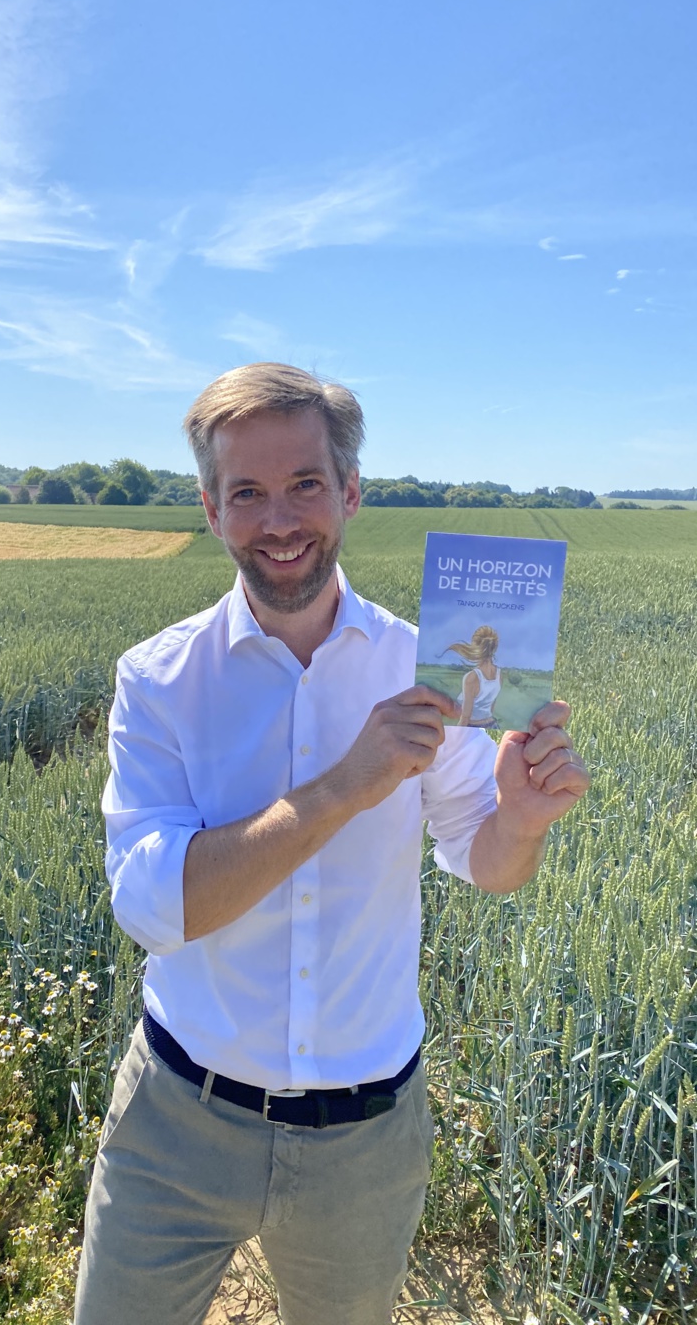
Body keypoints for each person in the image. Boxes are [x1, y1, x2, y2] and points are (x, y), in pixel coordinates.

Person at [74, 363, 590, 1325]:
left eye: (305, 484)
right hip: (177, 1120)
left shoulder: (425, 669)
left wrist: (518, 820)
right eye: (248, 493)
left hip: (365, 1135)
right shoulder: (158, 678)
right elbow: (154, 908)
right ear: (212, 509)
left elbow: (485, 862)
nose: (280, 520)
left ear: (350, 492)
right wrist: (344, 788)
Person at [448, 625, 502, 727]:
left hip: (473, 727)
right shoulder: (499, 674)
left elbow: (465, 718)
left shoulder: (472, 677)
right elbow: (491, 708)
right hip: (493, 725)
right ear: (494, 648)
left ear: (475, 646)